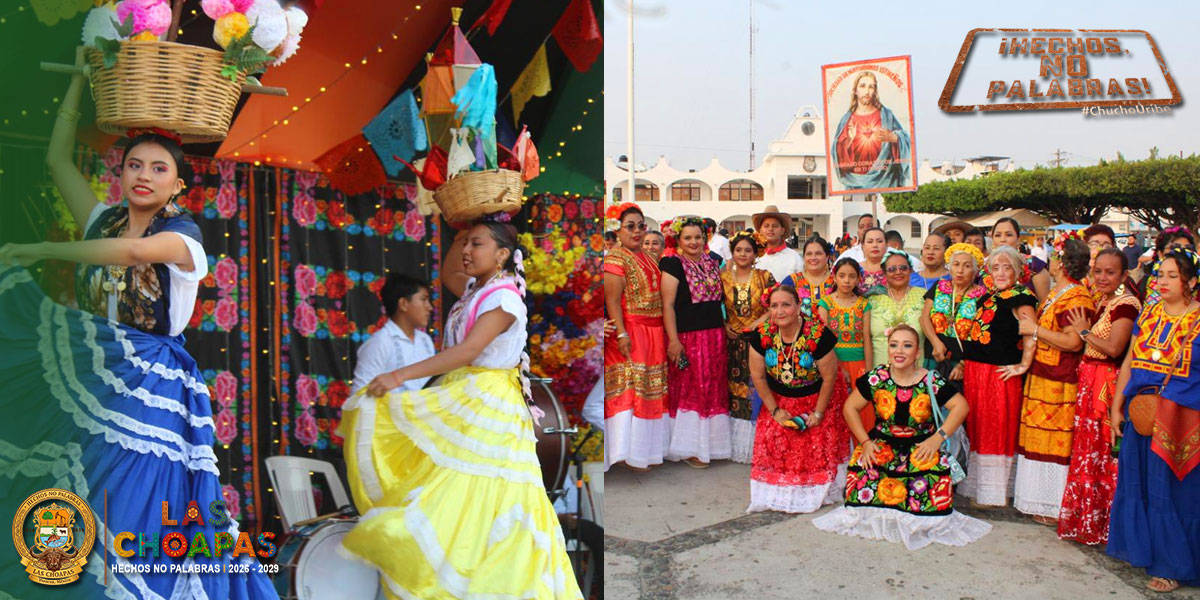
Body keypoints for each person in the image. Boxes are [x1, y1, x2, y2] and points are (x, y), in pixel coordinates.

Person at [0, 50, 277, 598]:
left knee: (126, 490)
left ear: (178, 184)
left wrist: (38, 247)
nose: (143, 176)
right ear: (120, 172)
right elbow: (58, 161)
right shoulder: (103, 219)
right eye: (133, 165)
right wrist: (79, 82)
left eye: (158, 168)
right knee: (62, 478)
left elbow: (131, 253)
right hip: (89, 365)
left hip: (148, 379)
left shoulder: (184, 238)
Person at [342, 221, 582, 599]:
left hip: (490, 406)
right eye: (465, 244)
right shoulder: (476, 290)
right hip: (465, 399)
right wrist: (463, 229)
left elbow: (468, 351)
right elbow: (449, 272)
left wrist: (398, 374)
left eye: (477, 244)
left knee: (474, 498)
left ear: (502, 254)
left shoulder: (504, 298)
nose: (467, 251)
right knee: (451, 498)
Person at [813, 325, 991, 549]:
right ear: (888, 349)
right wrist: (866, 443)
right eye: (894, 345)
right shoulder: (877, 377)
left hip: (920, 447)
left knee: (929, 492)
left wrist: (938, 438)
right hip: (882, 445)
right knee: (862, 480)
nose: (899, 351)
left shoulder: (931, 380)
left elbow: (960, 407)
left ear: (917, 353)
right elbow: (850, 408)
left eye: (907, 346)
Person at [1107, 247, 1200, 593]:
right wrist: (1117, 405)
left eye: (1172, 276)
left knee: (1176, 491)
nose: (1162, 281)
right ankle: (1149, 552)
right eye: (1160, 274)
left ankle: (1173, 564)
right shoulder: (1149, 313)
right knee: (1142, 484)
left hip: (1183, 417)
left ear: (1191, 281)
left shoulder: (1198, 319)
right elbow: (1130, 361)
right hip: (1142, 413)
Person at [1057, 248, 1140, 545]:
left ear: (1124, 275)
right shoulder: (1103, 300)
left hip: (1106, 383)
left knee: (1103, 452)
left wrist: (1083, 333)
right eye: (1098, 271)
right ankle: (1087, 520)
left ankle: (1105, 525)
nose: (1102, 277)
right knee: (1088, 450)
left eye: (1110, 272)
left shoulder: (1127, 305)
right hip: (1090, 380)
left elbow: (1116, 349)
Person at [1013, 237, 1095, 525]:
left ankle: (1051, 504)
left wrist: (1035, 331)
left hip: (1060, 382)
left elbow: (1073, 342)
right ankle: (1037, 500)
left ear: (1060, 263)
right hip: (1043, 375)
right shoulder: (1057, 293)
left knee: (1055, 441)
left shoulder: (1077, 298)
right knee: (1038, 438)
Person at [746, 285, 847, 513]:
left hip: (818, 397)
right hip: (779, 399)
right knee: (775, 437)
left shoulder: (818, 335)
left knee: (813, 443)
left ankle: (815, 491)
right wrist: (775, 411)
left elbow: (830, 378)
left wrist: (818, 413)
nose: (780, 311)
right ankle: (779, 493)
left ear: (799, 307)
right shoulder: (762, 335)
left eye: (786, 305)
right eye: (774, 306)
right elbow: (758, 376)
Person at [956, 246, 1038, 507]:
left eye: (1007, 267)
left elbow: (1031, 333)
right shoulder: (988, 296)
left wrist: (1023, 365)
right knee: (979, 428)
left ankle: (996, 493)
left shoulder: (1021, 297)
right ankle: (981, 490)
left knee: (997, 429)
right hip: (977, 374)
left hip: (999, 376)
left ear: (1017, 270)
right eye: (996, 267)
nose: (1001, 272)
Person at [603, 203, 669, 471]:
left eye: (641, 226)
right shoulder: (615, 259)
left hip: (653, 331)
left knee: (650, 390)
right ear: (618, 230)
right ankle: (626, 453)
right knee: (631, 391)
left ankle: (644, 452)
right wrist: (620, 332)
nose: (637, 231)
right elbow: (612, 301)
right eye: (630, 226)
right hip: (631, 330)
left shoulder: (647, 257)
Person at [661, 217, 730, 467]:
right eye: (688, 238)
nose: (694, 242)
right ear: (678, 240)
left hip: (714, 335)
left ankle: (711, 445)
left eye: (698, 237)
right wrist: (673, 340)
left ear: (705, 238)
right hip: (688, 336)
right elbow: (667, 305)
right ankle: (689, 448)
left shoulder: (713, 262)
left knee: (713, 386)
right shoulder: (672, 264)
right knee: (692, 388)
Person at [721, 231, 776, 463]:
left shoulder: (765, 276)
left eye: (748, 250)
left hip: (758, 342)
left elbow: (776, 304)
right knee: (734, 392)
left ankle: (759, 446)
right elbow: (712, 306)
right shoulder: (722, 277)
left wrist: (760, 321)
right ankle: (735, 446)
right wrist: (723, 324)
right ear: (732, 252)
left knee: (758, 389)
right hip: (731, 344)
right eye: (738, 250)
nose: (743, 254)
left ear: (756, 254)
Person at [351, 274, 436, 395]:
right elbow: (359, 395)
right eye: (423, 299)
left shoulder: (425, 340)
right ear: (403, 304)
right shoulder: (380, 342)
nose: (429, 307)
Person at [830, 70, 913, 191]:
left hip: (885, 179)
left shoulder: (886, 115)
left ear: (875, 91)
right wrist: (849, 140)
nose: (867, 91)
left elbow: (906, 139)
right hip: (855, 183)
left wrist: (894, 138)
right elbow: (837, 153)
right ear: (855, 91)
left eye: (871, 87)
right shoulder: (847, 120)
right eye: (863, 86)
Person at [818, 258, 874, 429]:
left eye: (852, 276)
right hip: (832, 364)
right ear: (834, 277)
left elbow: (866, 338)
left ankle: (862, 451)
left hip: (859, 365)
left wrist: (869, 372)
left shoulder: (863, 304)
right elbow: (824, 341)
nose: (847, 281)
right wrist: (838, 368)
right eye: (842, 276)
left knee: (863, 410)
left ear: (858, 279)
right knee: (835, 410)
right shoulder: (825, 303)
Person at [920, 243, 986, 380]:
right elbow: (924, 317)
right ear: (950, 268)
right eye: (956, 264)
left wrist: (963, 363)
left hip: (964, 361)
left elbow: (981, 332)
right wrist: (935, 342)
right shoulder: (939, 286)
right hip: (934, 354)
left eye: (967, 266)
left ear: (975, 271)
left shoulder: (983, 295)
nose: (960, 270)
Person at [867, 249, 926, 367]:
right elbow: (865, 339)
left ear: (910, 270)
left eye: (903, 268)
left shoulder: (924, 296)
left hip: (916, 373)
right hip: (880, 373)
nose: (898, 272)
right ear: (884, 273)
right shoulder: (873, 299)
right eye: (892, 269)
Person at [991, 217, 1051, 301]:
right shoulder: (985, 267)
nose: (1002, 239)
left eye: (1009, 235)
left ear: (1018, 239)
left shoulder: (1034, 265)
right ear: (992, 239)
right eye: (998, 235)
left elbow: (1044, 305)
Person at [781, 236, 836, 319]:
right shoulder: (792, 281)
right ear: (804, 257)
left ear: (827, 257)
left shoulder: (837, 281)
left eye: (818, 253)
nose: (813, 258)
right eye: (809, 254)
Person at [1083, 224, 1141, 301]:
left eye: (1107, 245)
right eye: (1094, 244)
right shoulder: (1078, 277)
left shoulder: (1122, 280)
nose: (1100, 249)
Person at [1140, 226, 1196, 306]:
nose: (1182, 253)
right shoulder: (1143, 286)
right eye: (1175, 248)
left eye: (1188, 248)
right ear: (1160, 254)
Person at [752, 206, 803, 282]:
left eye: (775, 226)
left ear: (782, 230)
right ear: (760, 230)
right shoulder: (753, 257)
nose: (770, 229)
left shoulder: (794, 257)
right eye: (766, 226)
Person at [856, 227, 889, 295]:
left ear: (886, 245)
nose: (875, 245)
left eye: (879, 241)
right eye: (870, 242)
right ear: (863, 246)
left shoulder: (894, 269)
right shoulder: (854, 268)